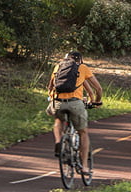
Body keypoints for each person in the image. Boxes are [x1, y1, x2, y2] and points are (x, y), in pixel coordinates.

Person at [48, 49, 104, 177]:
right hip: (75, 103)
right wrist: (97, 101)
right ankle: (84, 167)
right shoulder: (82, 67)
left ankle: (58, 142)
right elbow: (98, 88)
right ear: (80, 60)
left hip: (58, 102)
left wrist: (53, 99)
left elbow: (50, 87)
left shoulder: (58, 66)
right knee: (83, 133)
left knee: (58, 121)